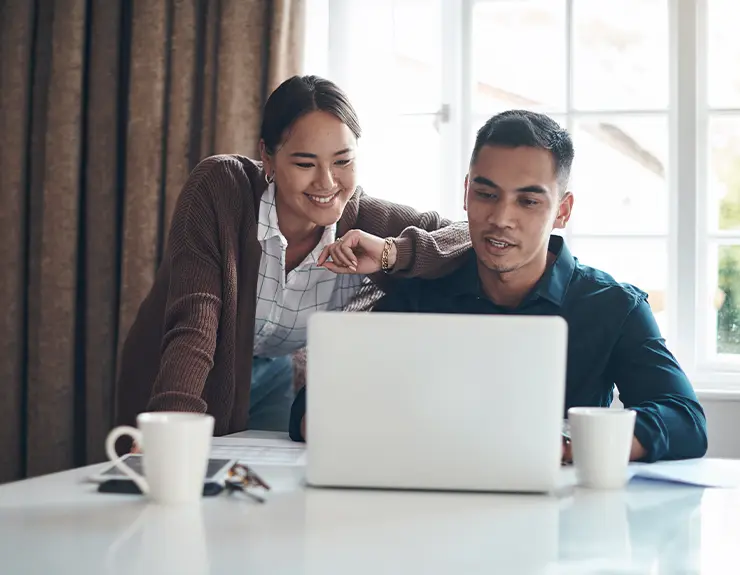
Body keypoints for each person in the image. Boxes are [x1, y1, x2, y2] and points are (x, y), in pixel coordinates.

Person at [290, 110, 708, 463]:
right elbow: (310, 411)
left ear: (562, 211)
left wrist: (566, 448)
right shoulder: (420, 293)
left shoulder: (612, 306)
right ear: (467, 193)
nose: (501, 218)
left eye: (528, 201)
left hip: (562, 525)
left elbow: (684, 420)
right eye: (487, 194)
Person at [115, 75, 471, 436]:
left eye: (343, 161)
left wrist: (391, 253)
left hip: (276, 376)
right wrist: (167, 434)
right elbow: (195, 325)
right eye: (305, 164)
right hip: (178, 378)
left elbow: (469, 234)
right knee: (171, 482)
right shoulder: (221, 190)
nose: (327, 183)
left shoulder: (366, 221)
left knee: (267, 483)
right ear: (268, 158)